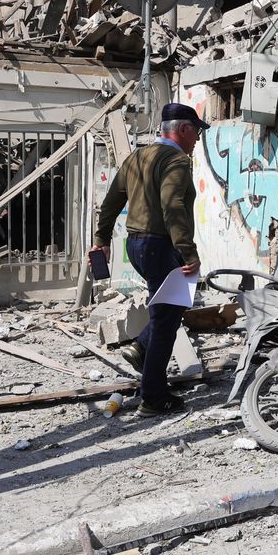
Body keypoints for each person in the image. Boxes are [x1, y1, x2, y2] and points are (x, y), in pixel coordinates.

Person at [91, 102, 208, 417]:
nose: (197, 138)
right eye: (196, 131)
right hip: (161, 247)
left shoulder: (136, 158)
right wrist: (189, 252)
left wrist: (102, 240)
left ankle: (141, 348)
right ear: (182, 129)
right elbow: (173, 206)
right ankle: (154, 397)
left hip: (137, 247)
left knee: (170, 309)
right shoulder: (177, 161)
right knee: (167, 318)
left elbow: (111, 201)